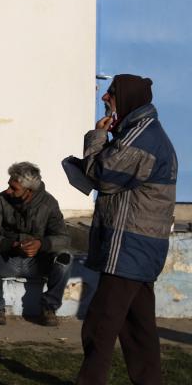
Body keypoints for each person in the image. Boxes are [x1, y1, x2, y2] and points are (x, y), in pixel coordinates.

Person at [75, 75, 176, 385]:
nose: (104, 98)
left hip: (129, 247)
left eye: (111, 93)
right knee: (137, 329)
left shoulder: (142, 136)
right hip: (139, 246)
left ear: (128, 97)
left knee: (99, 325)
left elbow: (105, 176)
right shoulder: (135, 132)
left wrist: (95, 139)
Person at [0, 162, 72, 326]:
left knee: (65, 257)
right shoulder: (1, 200)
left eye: (14, 189)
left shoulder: (49, 204)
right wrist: (11, 244)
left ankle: (49, 308)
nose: (8, 191)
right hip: (8, 260)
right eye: (9, 186)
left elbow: (63, 238)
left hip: (37, 262)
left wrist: (41, 244)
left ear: (29, 191)